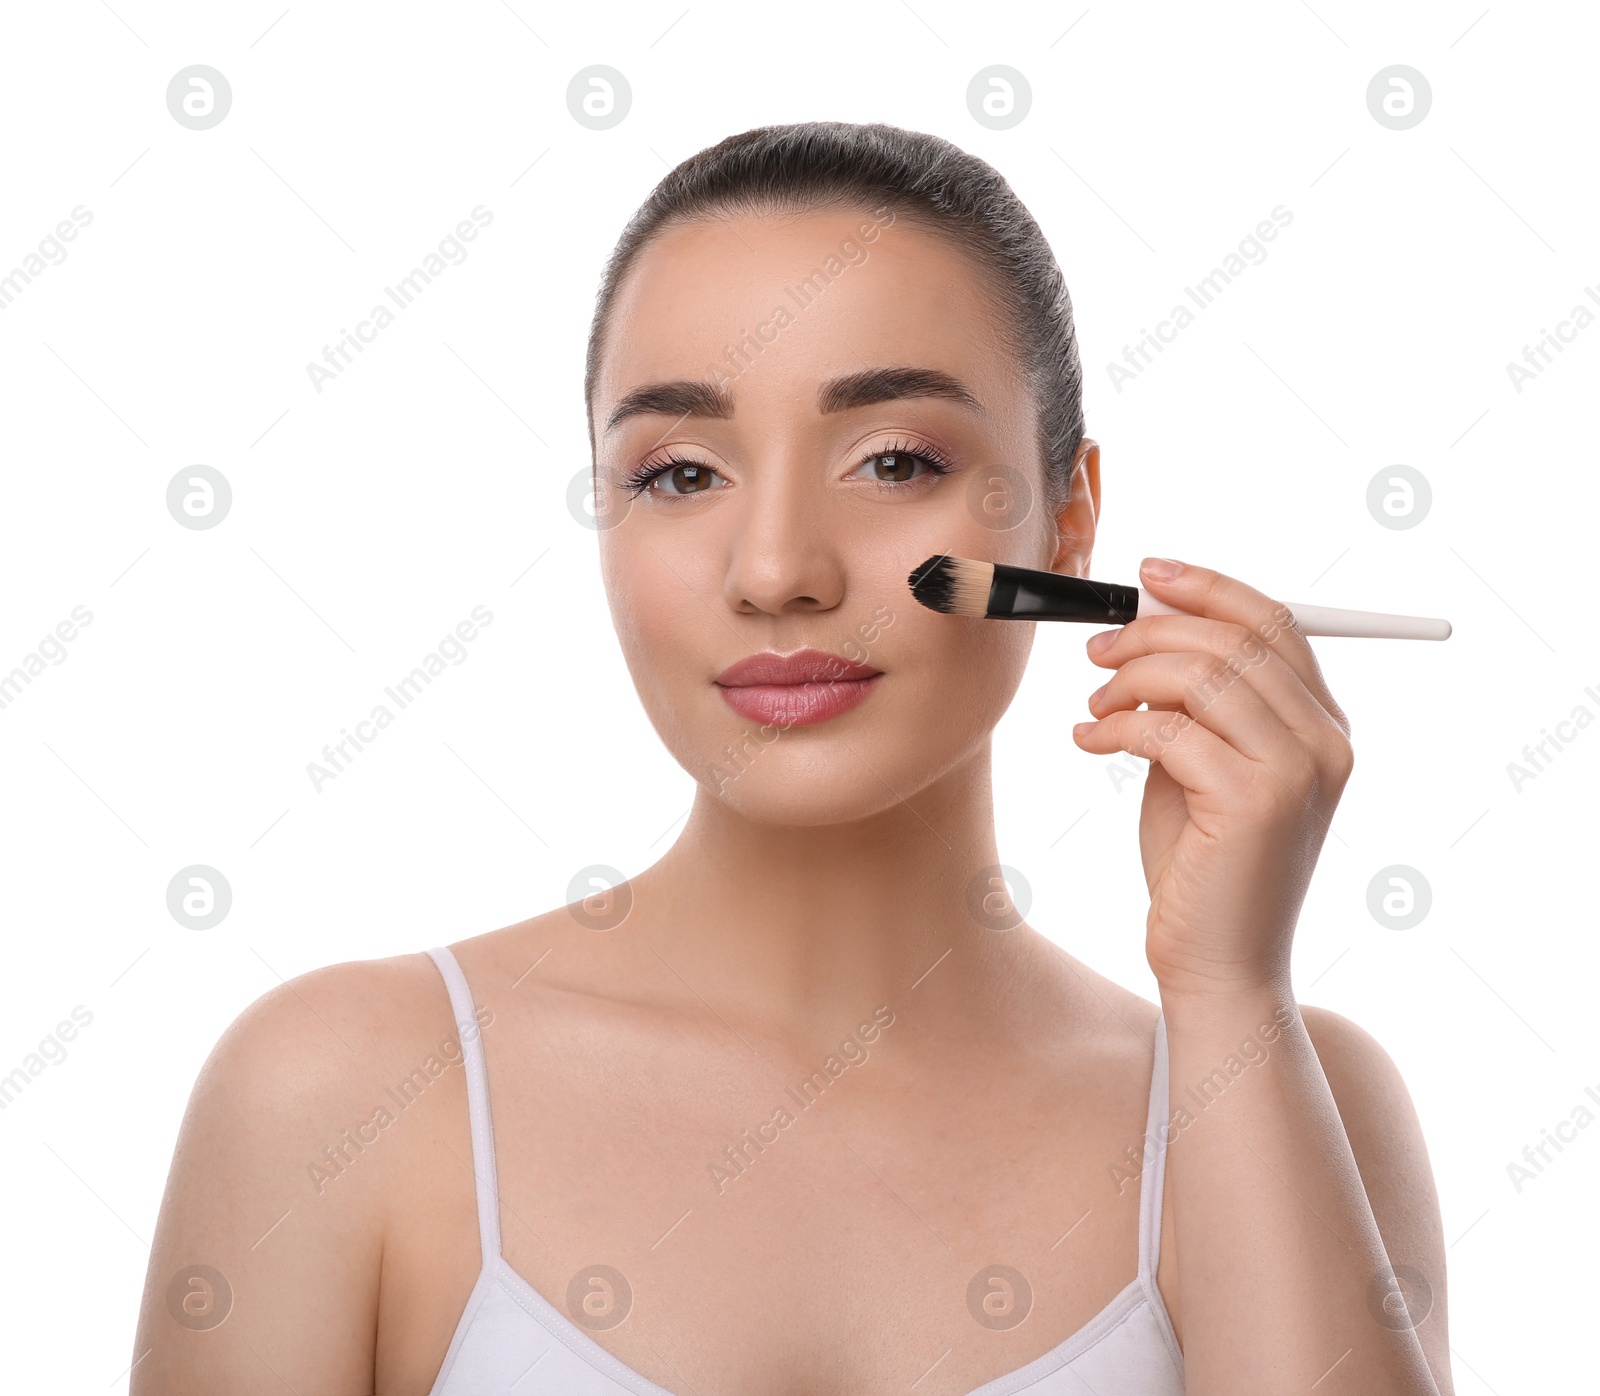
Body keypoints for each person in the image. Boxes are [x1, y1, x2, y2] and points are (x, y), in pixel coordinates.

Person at [134, 121, 1451, 1395]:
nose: (777, 572)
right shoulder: (339, 1094)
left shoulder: (1292, 1092)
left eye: (892, 461)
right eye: (680, 474)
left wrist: (1227, 991)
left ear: (1069, 515)